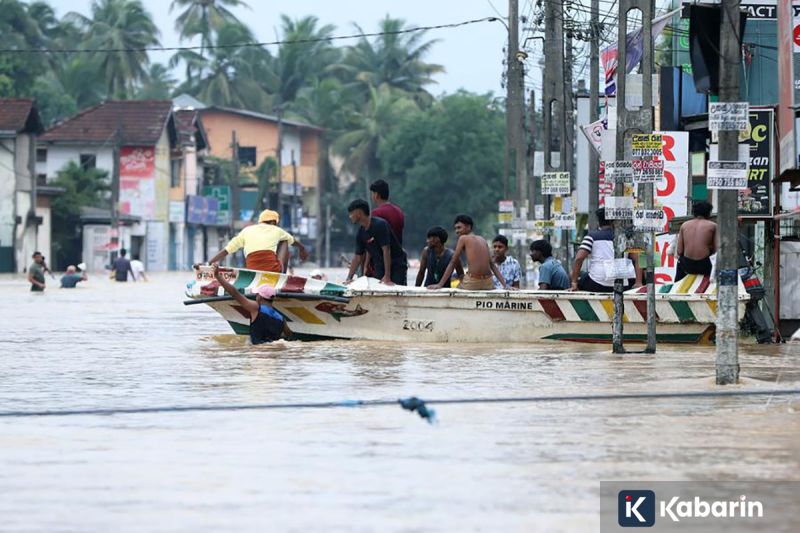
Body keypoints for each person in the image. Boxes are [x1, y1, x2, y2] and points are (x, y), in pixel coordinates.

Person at [206, 209, 308, 272]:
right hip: (273, 270)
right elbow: (293, 241)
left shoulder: (246, 230)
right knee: (284, 241)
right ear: (273, 222)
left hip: (253, 269)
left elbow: (226, 250)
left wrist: (209, 263)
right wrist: (302, 249)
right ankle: (282, 277)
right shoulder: (277, 230)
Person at [212, 264, 290, 344]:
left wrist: (218, 276)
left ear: (259, 297)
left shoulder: (256, 308)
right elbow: (288, 334)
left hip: (257, 352)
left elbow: (235, 294)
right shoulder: (281, 318)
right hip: (272, 351)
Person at [428, 214, 508, 291]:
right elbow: (492, 265)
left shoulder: (463, 238)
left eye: (459, 228)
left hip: (473, 282)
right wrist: (505, 285)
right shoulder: (482, 239)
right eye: (455, 228)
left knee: (455, 292)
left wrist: (440, 284)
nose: (457, 231)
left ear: (468, 227)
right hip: (488, 282)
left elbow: (453, 262)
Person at [570, 208, 640, 292]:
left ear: (598, 222)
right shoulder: (626, 238)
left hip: (596, 283)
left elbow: (579, 258)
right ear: (613, 222)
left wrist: (574, 282)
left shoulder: (591, 237)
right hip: (622, 284)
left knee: (583, 277)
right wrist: (638, 282)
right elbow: (638, 258)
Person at [345, 199, 408, 285]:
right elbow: (357, 258)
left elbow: (386, 250)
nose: (350, 216)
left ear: (359, 213)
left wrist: (387, 276)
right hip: (379, 266)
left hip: (396, 264)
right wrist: (349, 278)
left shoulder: (380, 225)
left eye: (351, 213)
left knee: (393, 288)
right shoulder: (360, 233)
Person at [675, 201, 717, 282]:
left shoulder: (684, 225)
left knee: (680, 261)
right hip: (704, 265)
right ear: (709, 213)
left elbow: (679, 251)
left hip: (687, 266)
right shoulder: (713, 226)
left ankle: (676, 287)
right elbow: (716, 251)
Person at [369, 179, 405, 245]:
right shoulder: (399, 211)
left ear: (376, 195)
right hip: (398, 253)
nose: (372, 196)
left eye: (372, 193)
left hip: (383, 254)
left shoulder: (376, 213)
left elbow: (373, 238)